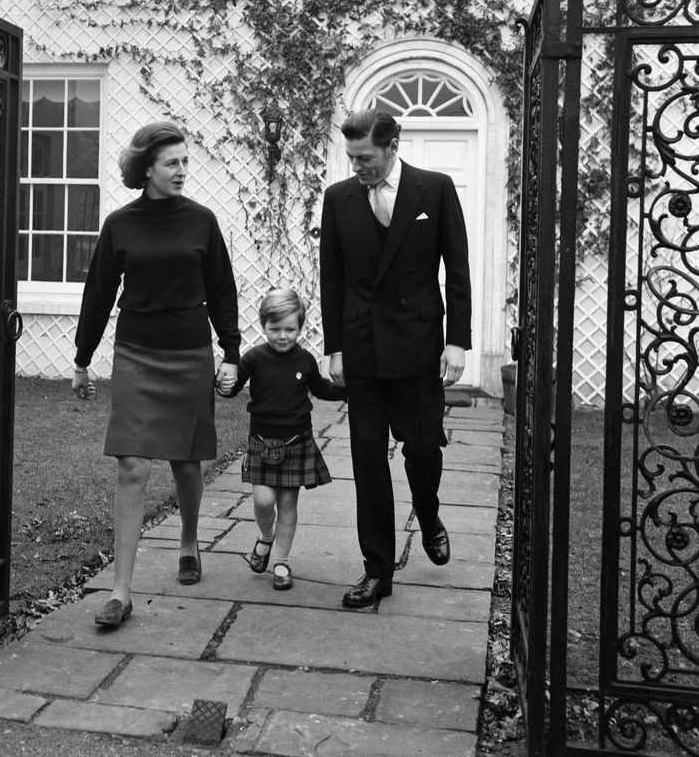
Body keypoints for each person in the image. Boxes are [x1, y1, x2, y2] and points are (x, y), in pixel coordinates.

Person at [72, 122, 240, 628]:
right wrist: (82, 360)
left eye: (186, 161)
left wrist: (231, 352)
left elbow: (223, 290)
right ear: (147, 167)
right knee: (132, 466)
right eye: (172, 163)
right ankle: (120, 591)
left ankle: (188, 539)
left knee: (186, 463)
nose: (182, 171)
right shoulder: (121, 225)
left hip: (189, 352)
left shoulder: (202, 222)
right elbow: (98, 293)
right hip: (137, 354)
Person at [319, 108, 471, 609]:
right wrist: (334, 347)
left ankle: (428, 514)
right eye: (351, 157)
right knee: (367, 461)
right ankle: (378, 569)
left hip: (419, 344)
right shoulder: (338, 199)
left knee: (424, 449)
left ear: (392, 145)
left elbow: (458, 270)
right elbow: (332, 278)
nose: (357, 166)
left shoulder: (436, 188)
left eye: (364, 157)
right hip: (362, 348)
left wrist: (457, 340)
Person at [218, 287, 344, 591]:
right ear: (264, 326)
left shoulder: (305, 360)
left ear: (300, 327)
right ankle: (265, 536)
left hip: (296, 441)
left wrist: (348, 390)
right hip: (262, 442)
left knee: (288, 503)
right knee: (263, 500)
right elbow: (233, 389)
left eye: (291, 329)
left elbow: (321, 388)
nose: (283, 336)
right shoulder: (254, 358)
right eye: (275, 329)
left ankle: (282, 562)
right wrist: (222, 382)